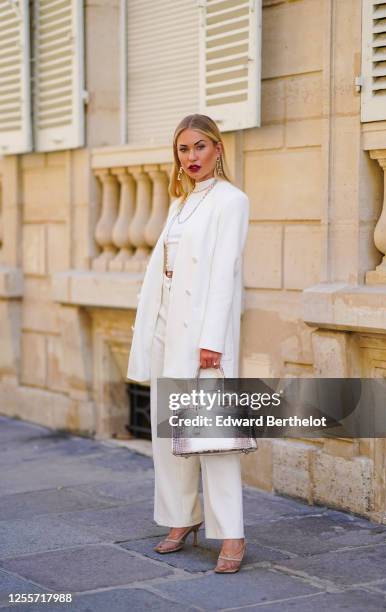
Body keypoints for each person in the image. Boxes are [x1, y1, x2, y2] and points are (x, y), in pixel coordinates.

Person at [127, 114, 250, 574]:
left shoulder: (232, 201)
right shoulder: (181, 203)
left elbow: (225, 272)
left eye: (200, 147)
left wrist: (212, 340)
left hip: (201, 329)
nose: (191, 157)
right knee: (167, 430)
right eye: (183, 149)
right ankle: (181, 518)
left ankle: (232, 536)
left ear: (218, 148)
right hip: (164, 321)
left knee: (212, 436)